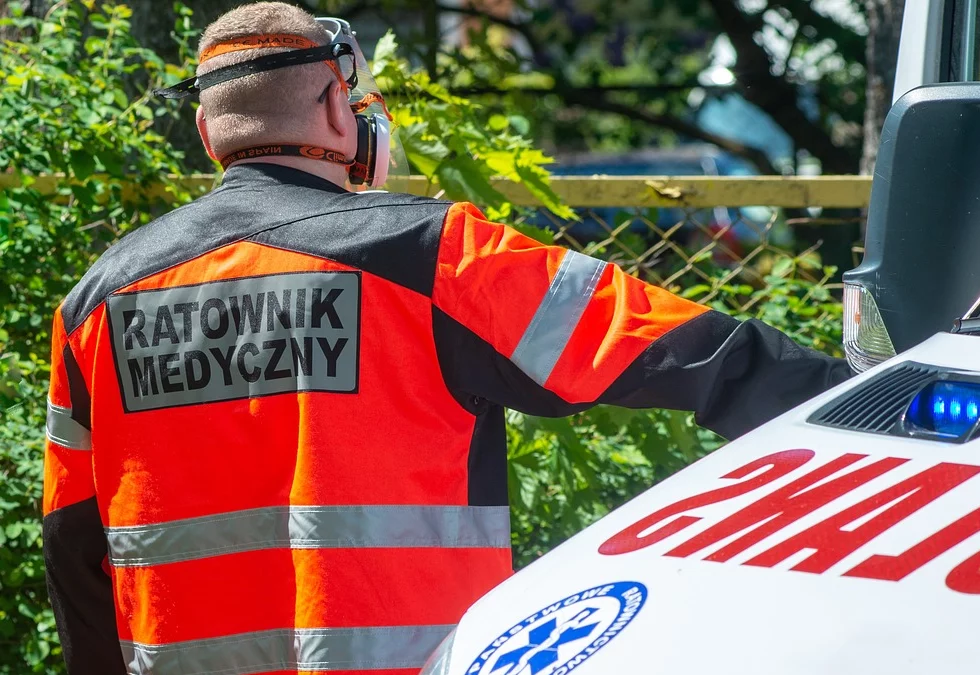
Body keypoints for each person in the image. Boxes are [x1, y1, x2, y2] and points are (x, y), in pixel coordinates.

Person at [40, 3, 853, 673]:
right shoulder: (430, 254)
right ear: (335, 107)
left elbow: (73, 546)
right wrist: (885, 406)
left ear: (208, 130)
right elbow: (689, 350)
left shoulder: (95, 305)